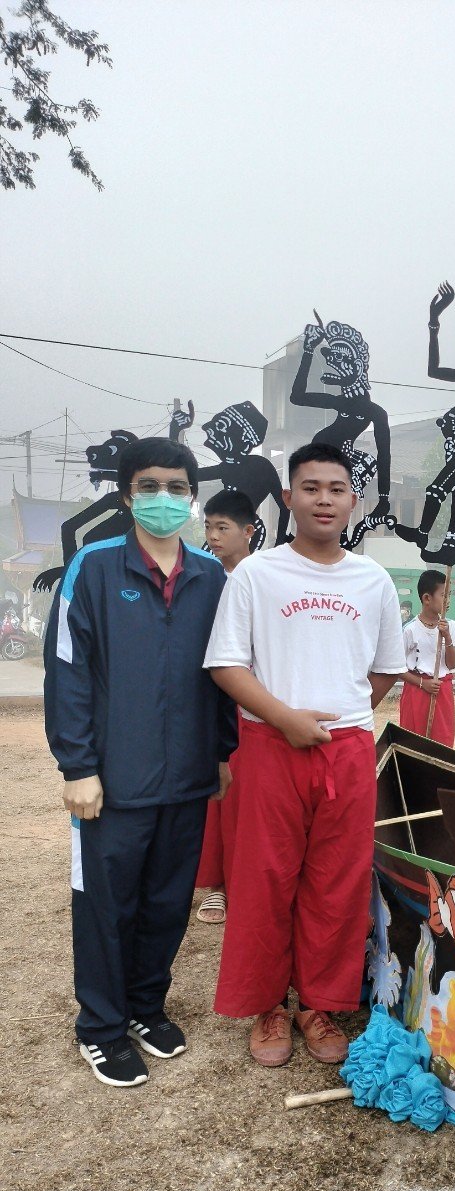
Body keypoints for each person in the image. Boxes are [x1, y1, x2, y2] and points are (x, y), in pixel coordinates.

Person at [203, 442, 406, 1068]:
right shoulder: (257, 574)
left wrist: (344, 714)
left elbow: (385, 668)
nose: (324, 499)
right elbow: (225, 664)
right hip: (269, 746)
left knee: (336, 884)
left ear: (354, 502)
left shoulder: (372, 580)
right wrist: (284, 718)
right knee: (264, 880)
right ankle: (267, 1005)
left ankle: (318, 1004)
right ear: (288, 497)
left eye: (336, 489)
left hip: (346, 751)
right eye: (310, 488)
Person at [43, 436, 236, 1088]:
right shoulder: (94, 568)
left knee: (167, 904)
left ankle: (145, 1008)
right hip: (112, 782)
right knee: (105, 908)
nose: (164, 498)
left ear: (192, 497)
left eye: (177, 488)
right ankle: (101, 1027)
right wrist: (77, 767)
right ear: (127, 495)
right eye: (149, 486)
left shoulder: (210, 576)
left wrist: (222, 751)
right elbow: (68, 670)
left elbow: (223, 671)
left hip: (187, 778)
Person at [194, 490, 257, 924]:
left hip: (255, 699)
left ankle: (244, 882)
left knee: (248, 795)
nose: (213, 536)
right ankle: (216, 885)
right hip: (212, 698)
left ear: (248, 531)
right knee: (217, 792)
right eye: (208, 527)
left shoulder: (266, 576)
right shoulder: (202, 577)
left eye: (222, 527)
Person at [397, 570, 455, 746]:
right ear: (427, 598)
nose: (448, 600)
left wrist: (447, 636)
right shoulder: (410, 630)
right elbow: (398, 668)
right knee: (413, 743)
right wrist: (422, 683)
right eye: (443, 595)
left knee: (442, 743)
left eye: (449, 595)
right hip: (416, 692)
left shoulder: (451, 626)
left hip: (442, 690)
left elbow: (452, 664)